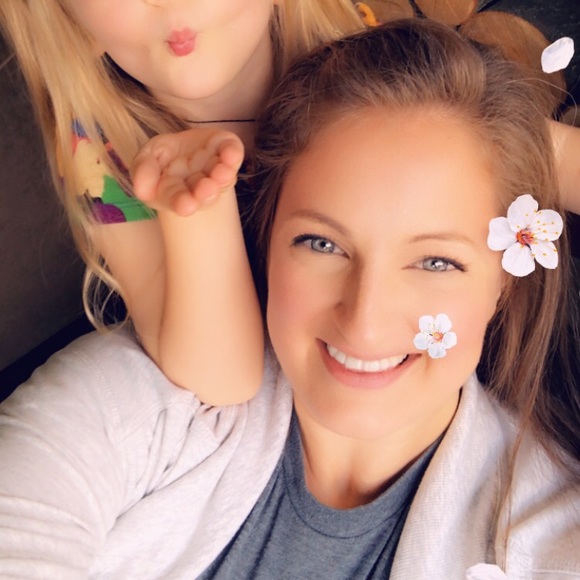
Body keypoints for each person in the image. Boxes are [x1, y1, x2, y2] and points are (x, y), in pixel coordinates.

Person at [1, 18, 579, 578]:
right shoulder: (134, 415)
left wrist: (515, 139)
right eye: (322, 243)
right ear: (268, 234)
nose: (364, 323)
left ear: (507, 277)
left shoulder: (554, 540)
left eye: (436, 262)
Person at [0, 1, 365, 404]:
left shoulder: (370, 66)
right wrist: (195, 208)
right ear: (72, 21)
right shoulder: (100, 153)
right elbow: (224, 379)